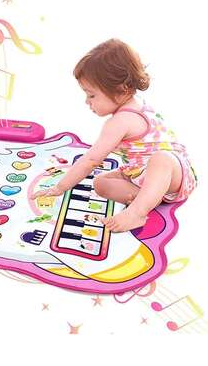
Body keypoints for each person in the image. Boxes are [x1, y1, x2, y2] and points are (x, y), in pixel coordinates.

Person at [31, 38, 197, 232]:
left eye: (91, 95)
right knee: (100, 183)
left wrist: (60, 187)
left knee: (161, 159)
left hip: (175, 176)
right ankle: (149, 197)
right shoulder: (133, 102)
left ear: (121, 89)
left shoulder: (120, 121)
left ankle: (137, 213)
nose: (87, 102)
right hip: (139, 174)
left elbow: (91, 160)